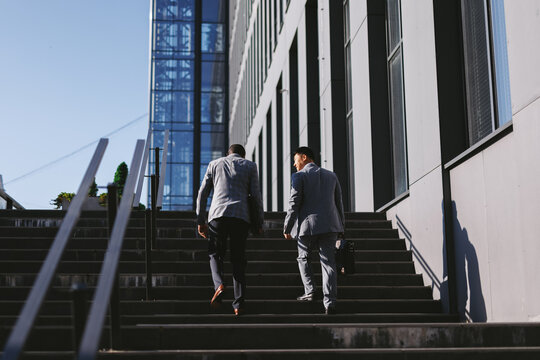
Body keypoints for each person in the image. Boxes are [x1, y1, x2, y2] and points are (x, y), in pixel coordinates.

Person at [196, 144, 264, 316]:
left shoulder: (215, 164)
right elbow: (255, 196)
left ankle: (218, 284)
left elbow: (202, 193)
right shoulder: (250, 166)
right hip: (241, 217)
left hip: (217, 215)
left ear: (228, 153)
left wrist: (200, 220)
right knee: (238, 260)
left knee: (215, 253)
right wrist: (259, 222)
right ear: (243, 154)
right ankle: (238, 304)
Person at [283, 146, 345, 314]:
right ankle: (329, 303)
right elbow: (339, 203)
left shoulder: (299, 176)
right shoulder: (332, 176)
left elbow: (294, 203)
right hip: (331, 225)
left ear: (304, 157)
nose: (295, 165)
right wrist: (341, 227)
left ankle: (310, 290)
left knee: (303, 257)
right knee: (328, 263)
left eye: (296, 161)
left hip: (307, 226)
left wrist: (287, 227)